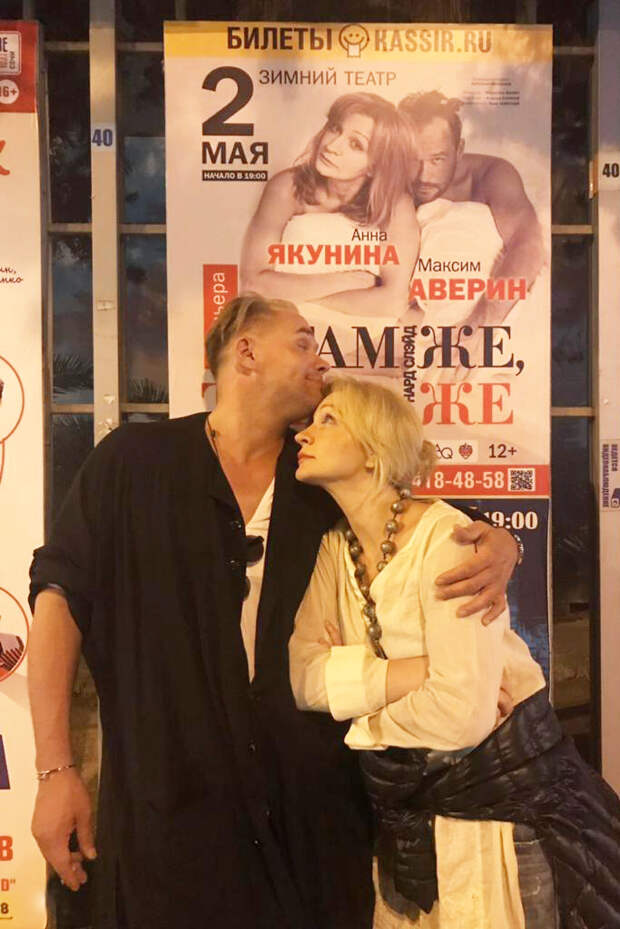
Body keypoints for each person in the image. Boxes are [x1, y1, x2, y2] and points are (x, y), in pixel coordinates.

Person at [28, 295, 519, 929]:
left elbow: (424, 522)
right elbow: (59, 597)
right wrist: (55, 769)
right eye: (303, 342)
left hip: (316, 824)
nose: (321, 360)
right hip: (169, 825)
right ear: (247, 352)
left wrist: (503, 543)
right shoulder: (133, 461)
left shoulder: (323, 471)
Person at [289, 376, 620, 929]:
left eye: (329, 420)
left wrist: (360, 721)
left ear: (373, 450)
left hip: (503, 815)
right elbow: (303, 679)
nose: (304, 435)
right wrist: (420, 674)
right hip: (412, 819)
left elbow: (461, 716)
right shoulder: (334, 548)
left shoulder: (448, 538)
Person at [241, 93, 419, 318]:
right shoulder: (286, 187)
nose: (332, 146)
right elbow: (253, 284)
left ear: (375, 166)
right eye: (335, 128)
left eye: (355, 144)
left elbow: (393, 302)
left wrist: (301, 298)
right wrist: (345, 281)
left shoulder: (395, 204)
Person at [399, 91, 545, 327]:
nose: (424, 175)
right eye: (412, 159)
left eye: (437, 159)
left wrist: (481, 322)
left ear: (459, 150)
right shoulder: (386, 174)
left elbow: (529, 246)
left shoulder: (492, 175)